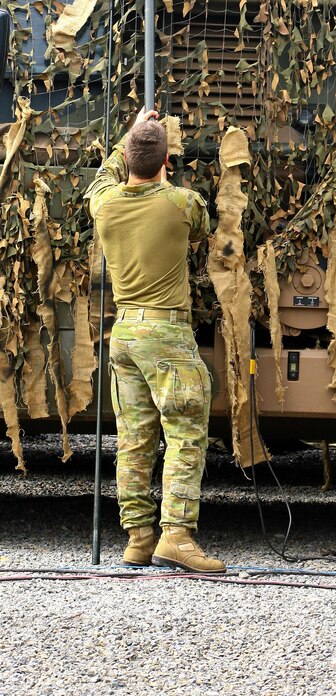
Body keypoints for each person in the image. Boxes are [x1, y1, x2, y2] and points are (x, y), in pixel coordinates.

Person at [85, 108, 225, 573]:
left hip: (124, 334)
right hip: (166, 335)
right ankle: (177, 537)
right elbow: (203, 228)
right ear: (168, 160)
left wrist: (130, 136)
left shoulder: (104, 204)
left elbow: (103, 177)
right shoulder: (182, 204)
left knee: (134, 438)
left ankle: (138, 539)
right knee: (185, 432)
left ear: (125, 158)